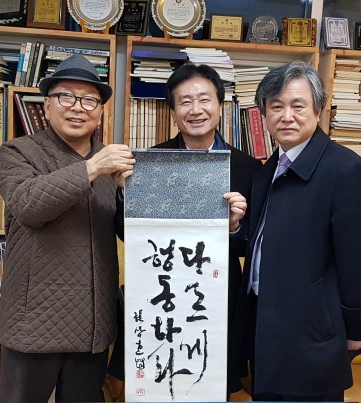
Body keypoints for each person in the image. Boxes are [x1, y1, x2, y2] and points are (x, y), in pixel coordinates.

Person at [107, 63, 259, 398]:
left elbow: (252, 245)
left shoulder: (247, 168)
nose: (196, 109)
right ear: (173, 111)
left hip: (217, 299)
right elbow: (125, 234)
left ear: (219, 105)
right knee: (156, 385)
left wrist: (235, 227)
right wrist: (125, 195)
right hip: (159, 293)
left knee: (211, 384)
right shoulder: (151, 161)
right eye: (185, 101)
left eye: (204, 99)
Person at [236, 60, 361, 401]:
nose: (287, 116)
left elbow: (360, 262)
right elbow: (261, 243)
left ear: (318, 109)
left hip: (312, 331)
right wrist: (235, 227)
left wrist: (356, 330)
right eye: (276, 107)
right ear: (264, 114)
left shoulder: (345, 170)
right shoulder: (267, 170)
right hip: (265, 323)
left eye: (298, 106)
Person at [0, 54, 135, 402]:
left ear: (100, 111)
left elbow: (128, 234)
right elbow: (28, 206)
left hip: (92, 326)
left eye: (89, 100)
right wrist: (92, 168)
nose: (78, 107)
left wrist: (126, 194)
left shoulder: (111, 161)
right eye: (66, 96)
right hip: (32, 325)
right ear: (47, 105)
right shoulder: (19, 152)